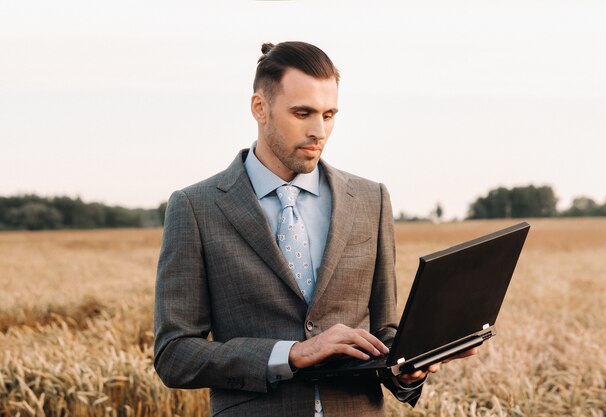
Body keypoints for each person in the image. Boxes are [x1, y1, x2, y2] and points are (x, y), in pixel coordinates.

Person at [153, 41, 476, 417]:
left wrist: (408, 371)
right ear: (260, 107)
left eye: (329, 114)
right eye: (303, 113)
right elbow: (175, 354)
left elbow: (384, 332)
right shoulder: (196, 207)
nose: (319, 131)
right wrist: (291, 354)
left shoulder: (372, 200)